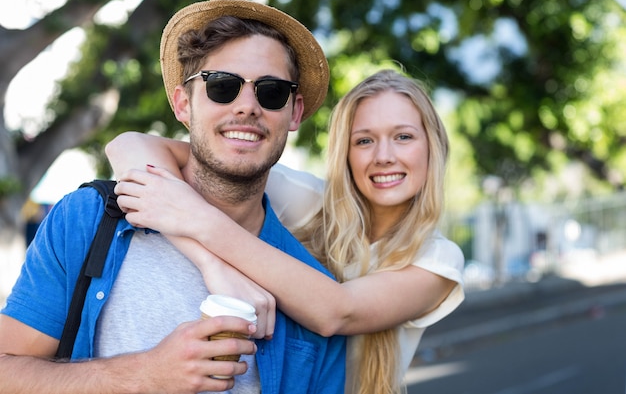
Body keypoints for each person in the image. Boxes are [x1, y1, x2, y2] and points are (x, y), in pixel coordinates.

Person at [0, 0, 346, 394]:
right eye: (222, 85)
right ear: (183, 104)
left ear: (295, 112)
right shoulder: (87, 219)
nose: (247, 106)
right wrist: (144, 374)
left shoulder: (310, 292)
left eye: (271, 92)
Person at [107, 69, 465, 394]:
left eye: (403, 137)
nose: (384, 156)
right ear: (345, 153)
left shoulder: (438, 259)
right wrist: (209, 262)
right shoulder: (312, 203)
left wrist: (198, 219)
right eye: (364, 141)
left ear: (432, 147)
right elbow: (128, 146)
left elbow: (337, 311)